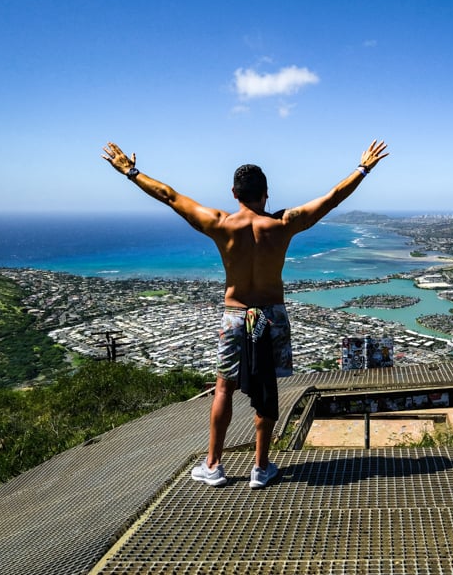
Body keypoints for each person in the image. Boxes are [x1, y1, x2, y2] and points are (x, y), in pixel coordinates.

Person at [101, 139, 389, 488]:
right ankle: (261, 467)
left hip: (235, 316)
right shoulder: (284, 224)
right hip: (271, 316)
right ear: (266, 193)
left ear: (234, 192)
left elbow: (169, 196)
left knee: (223, 388)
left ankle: (214, 465)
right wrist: (363, 169)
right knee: (266, 389)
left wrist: (131, 172)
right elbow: (332, 198)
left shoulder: (220, 224)